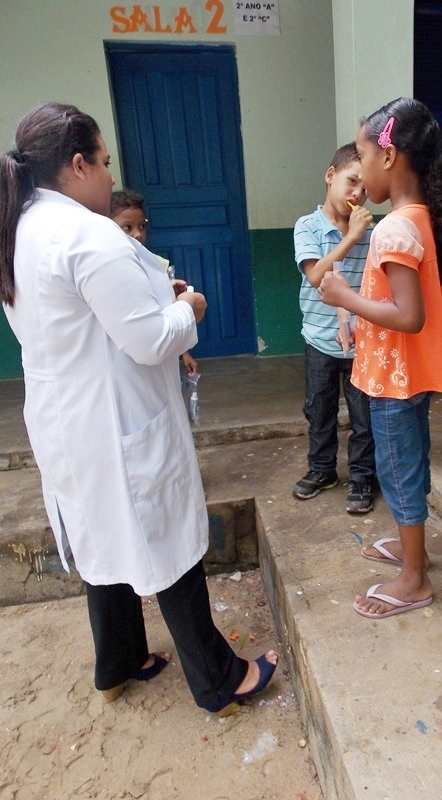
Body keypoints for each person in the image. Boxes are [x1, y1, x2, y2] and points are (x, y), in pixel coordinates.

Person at [0, 102, 277, 711]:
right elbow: (150, 340)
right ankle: (219, 681)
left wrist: (158, 297)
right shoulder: (86, 232)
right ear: (77, 163)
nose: (107, 173)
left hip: (65, 421)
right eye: (103, 161)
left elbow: (91, 318)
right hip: (115, 419)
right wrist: (189, 309)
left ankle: (118, 663)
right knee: (166, 542)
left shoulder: (20, 228)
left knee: (102, 536)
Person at [319, 98, 442, 618]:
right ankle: (412, 549)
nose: (359, 170)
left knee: (397, 470)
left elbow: (408, 315)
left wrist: (345, 299)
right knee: (408, 463)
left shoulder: (393, 228)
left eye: (363, 153)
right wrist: (360, 316)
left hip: (394, 382)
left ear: (390, 155)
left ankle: (414, 578)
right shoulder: (420, 218)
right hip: (407, 375)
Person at [293, 143, 377, 514]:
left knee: (364, 417)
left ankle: (362, 477)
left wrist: (360, 236)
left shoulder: (372, 233)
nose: (357, 193)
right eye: (351, 181)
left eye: (365, 188)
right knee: (319, 410)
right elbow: (315, 274)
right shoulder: (307, 226)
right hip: (319, 340)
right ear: (330, 176)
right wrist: (350, 239)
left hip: (361, 344)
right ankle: (322, 469)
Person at [109, 188, 198, 376]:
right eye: (127, 228)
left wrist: (184, 353)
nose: (138, 234)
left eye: (142, 226)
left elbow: (168, 315)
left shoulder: (156, 264)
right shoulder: (108, 270)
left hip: (162, 354)